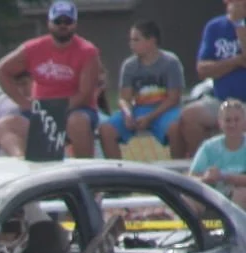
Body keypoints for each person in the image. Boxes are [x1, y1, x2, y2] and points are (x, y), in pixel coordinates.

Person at [0, 2, 104, 159]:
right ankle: (22, 162)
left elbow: (85, 94)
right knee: (4, 125)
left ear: (75, 24)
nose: (63, 25)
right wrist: (24, 102)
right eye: (58, 21)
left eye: (68, 22)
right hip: (41, 110)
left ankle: (85, 167)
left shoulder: (88, 52)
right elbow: (1, 71)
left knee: (77, 122)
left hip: (75, 109)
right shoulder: (32, 48)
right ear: (49, 23)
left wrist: (57, 111)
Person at [99, 22, 185, 158]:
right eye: (131, 40)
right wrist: (127, 114)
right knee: (106, 129)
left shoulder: (171, 63)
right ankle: (117, 172)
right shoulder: (129, 65)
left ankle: (179, 169)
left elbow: (174, 98)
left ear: (151, 41)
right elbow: (124, 98)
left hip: (165, 110)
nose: (131, 44)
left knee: (176, 127)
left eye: (136, 39)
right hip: (139, 110)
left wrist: (150, 118)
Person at [180, 0, 246, 157]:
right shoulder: (214, 27)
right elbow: (202, 69)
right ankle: (203, 166)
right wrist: (236, 61)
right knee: (189, 116)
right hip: (220, 101)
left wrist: (239, 24)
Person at [194, 99, 246, 203]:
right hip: (213, 196)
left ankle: (232, 219)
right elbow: (192, 177)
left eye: (237, 120)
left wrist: (224, 177)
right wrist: (205, 178)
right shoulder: (209, 147)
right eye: (228, 120)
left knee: (242, 193)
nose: (232, 124)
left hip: (240, 195)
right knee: (190, 199)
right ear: (220, 123)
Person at [0, 71, 33, 155]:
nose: (21, 89)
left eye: (24, 84)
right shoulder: (2, 101)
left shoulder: (46, 98)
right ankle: (18, 158)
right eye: (17, 85)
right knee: (4, 125)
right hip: (8, 150)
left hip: (41, 143)